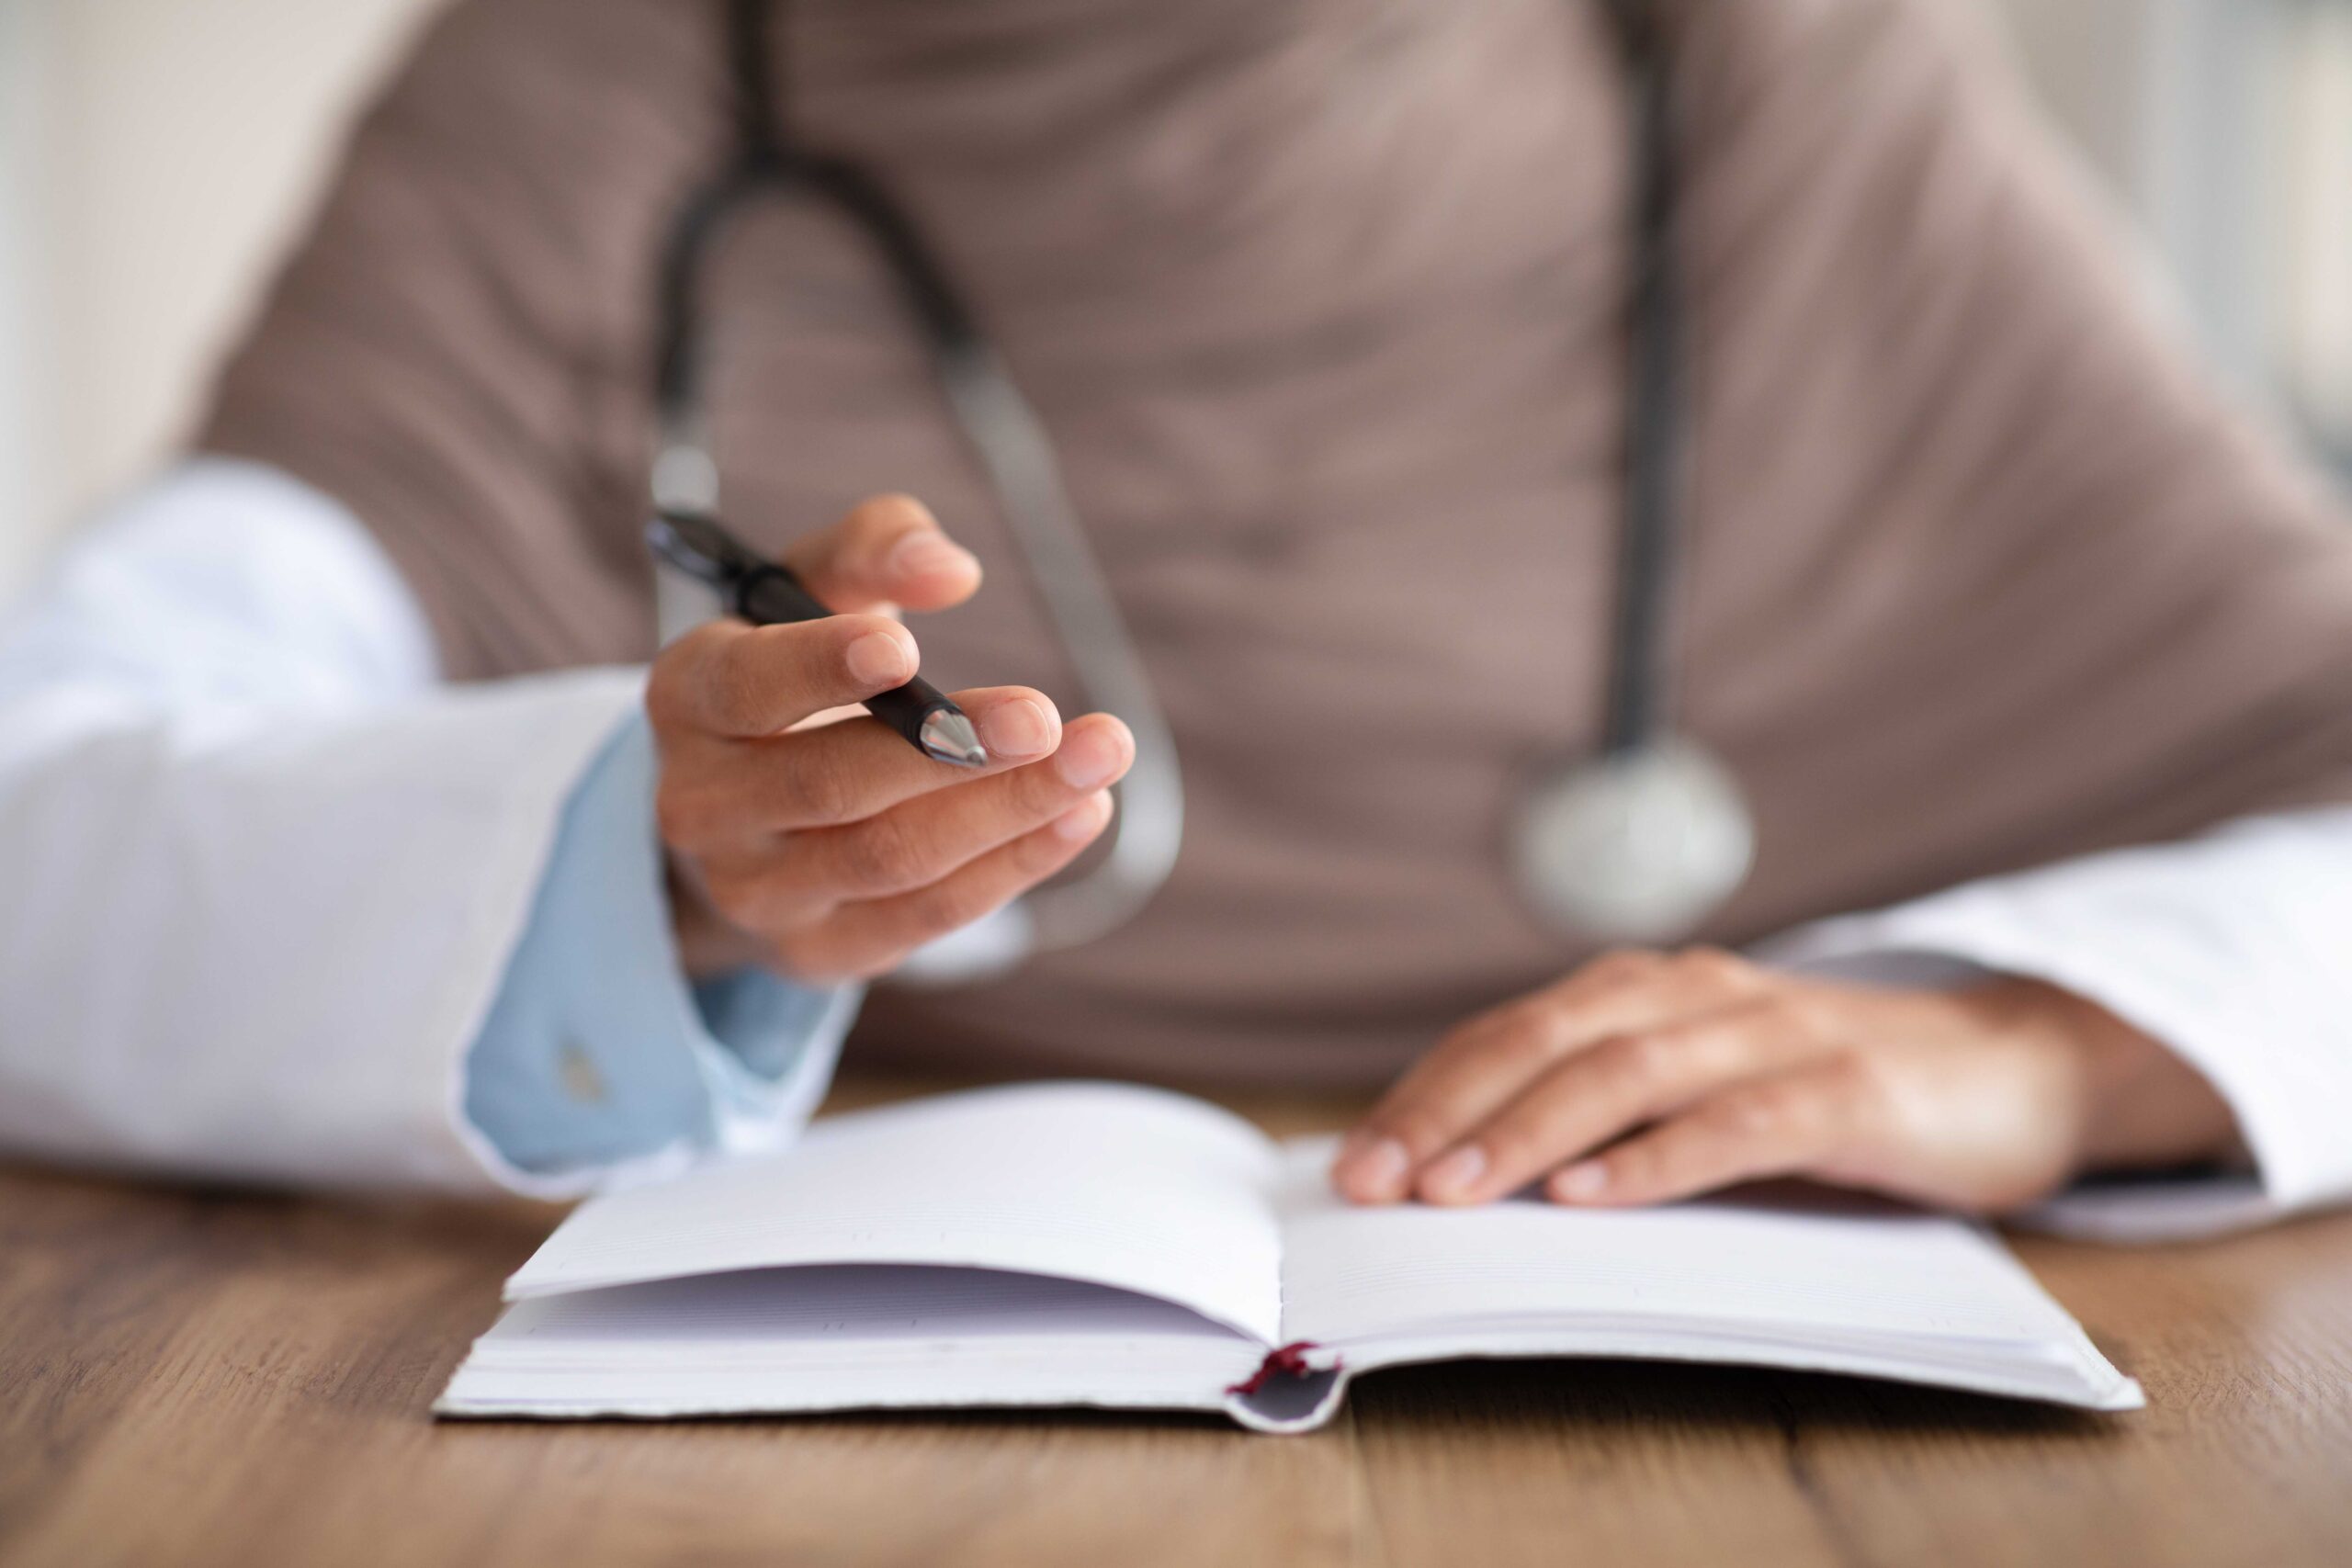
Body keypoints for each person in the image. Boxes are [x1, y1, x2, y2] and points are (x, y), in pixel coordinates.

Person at [1, 0, 2347, 1238]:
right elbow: (41, 824)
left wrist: (2057, 1048)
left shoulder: (1771, 76)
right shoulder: (577, 86)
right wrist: (638, 859)